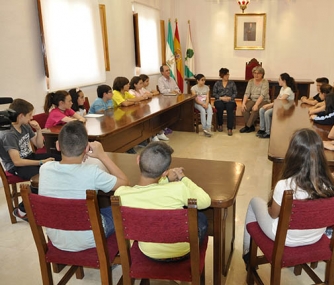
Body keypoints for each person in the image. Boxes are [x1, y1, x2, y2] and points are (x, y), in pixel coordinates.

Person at [242, 128, 334, 265]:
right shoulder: (329, 184)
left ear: (293, 154)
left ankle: (247, 253)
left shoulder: (285, 185)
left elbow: (273, 215)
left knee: (254, 202)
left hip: (286, 239)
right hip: (315, 237)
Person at [38, 121, 129, 252]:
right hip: (90, 238)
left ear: (58, 146)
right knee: (120, 209)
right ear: (86, 148)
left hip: (57, 238)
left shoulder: (45, 169)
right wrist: (102, 155)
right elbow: (124, 183)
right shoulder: (92, 172)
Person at [114, 142, 211, 261]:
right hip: (182, 251)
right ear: (165, 172)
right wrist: (183, 178)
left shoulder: (120, 194)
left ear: (138, 160)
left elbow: (149, 191)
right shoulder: (178, 188)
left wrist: (165, 180)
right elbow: (205, 201)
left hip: (149, 253)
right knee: (201, 217)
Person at [0, 99, 61, 220]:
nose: (31, 117)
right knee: (43, 175)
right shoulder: (8, 134)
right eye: (29, 115)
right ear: (21, 116)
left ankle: (46, 201)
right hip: (15, 166)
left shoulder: (25, 126)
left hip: (28, 157)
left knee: (59, 159)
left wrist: (38, 130)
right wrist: (41, 162)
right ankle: (21, 210)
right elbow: (17, 161)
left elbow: (39, 146)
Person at [257, 73, 296, 138]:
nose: (278, 81)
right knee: (262, 109)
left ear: (284, 81)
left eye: (279, 79)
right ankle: (262, 129)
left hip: (286, 108)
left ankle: (268, 132)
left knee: (267, 113)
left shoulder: (288, 89)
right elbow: (277, 99)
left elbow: (281, 100)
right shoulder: (282, 89)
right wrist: (270, 105)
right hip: (280, 107)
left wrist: (269, 105)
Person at [240, 66, 270, 133]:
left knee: (255, 110)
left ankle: (247, 127)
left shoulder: (265, 82)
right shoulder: (250, 81)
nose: (256, 75)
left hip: (263, 100)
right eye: (255, 73)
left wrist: (256, 105)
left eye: (258, 73)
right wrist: (243, 103)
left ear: (262, 74)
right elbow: (247, 93)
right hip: (253, 99)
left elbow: (262, 95)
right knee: (244, 108)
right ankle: (251, 126)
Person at [212, 68, 237, 136]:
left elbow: (235, 93)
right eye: (226, 75)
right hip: (220, 99)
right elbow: (214, 93)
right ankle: (220, 124)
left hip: (230, 100)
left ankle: (230, 128)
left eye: (228, 74)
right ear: (222, 75)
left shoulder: (232, 83)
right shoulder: (217, 83)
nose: (228, 76)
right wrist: (221, 98)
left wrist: (230, 97)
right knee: (219, 106)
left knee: (230, 108)